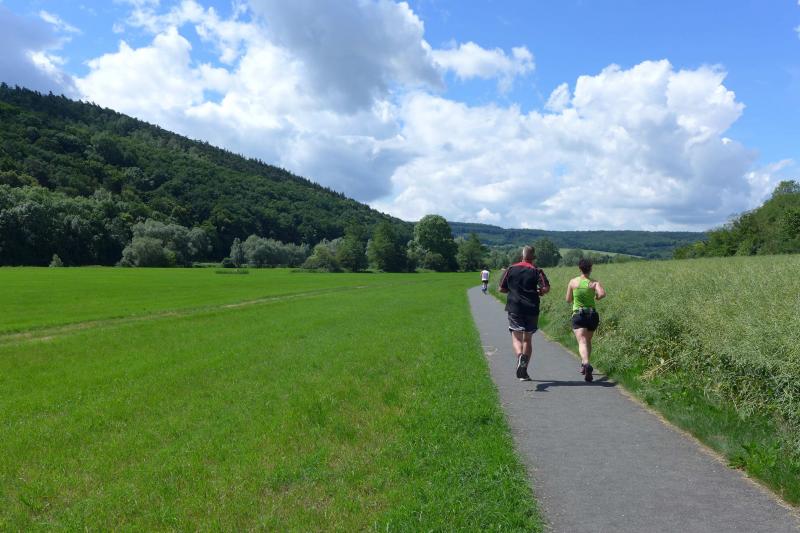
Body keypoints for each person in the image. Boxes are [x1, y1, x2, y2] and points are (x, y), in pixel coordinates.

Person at [499, 246, 550, 381]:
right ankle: (524, 370)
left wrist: (513, 290)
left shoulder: (510, 269)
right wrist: (540, 292)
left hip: (514, 307)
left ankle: (520, 356)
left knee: (516, 338)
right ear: (533, 257)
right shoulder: (537, 270)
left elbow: (501, 289)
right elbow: (545, 288)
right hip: (531, 308)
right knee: (527, 339)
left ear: (522, 256)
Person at [565, 258, 606, 382]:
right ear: (590, 268)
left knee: (582, 341)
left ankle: (586, 363)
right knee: (588, 340)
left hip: (579, 315)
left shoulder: (573, 282)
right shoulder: (594, 283)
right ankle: (585, 364)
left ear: (579, 268)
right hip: (592, 315)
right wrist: (597, 297)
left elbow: (568, 299)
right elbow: (602, 294)